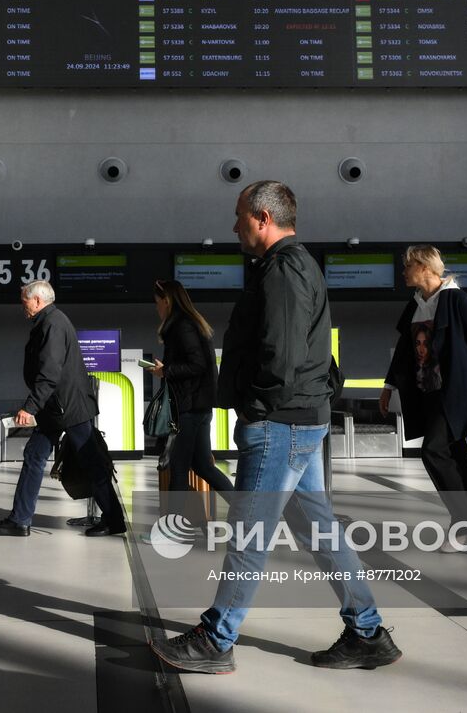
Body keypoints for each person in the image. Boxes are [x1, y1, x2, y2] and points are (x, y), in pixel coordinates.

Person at [151, 180, 399, 674]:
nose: (234, 226)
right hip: (298, 419)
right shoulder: (294, 266)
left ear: (263, 218)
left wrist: (257, 409)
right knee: (320, 529)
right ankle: (367, 632)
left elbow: (280, 356)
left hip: (279, 423)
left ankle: (216, 639)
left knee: (249, 534)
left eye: (240, 216)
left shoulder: (283, 271)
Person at [378, 245, 467, 552]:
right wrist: (388, 386)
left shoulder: (458, 301)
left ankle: (465, 525)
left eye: (408, 266)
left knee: (433, 451)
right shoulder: (416, 304)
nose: (403, 272)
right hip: (427, 392)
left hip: (455, 392)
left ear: (424, 267)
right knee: (457, 456)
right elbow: (404, 349)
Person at [0, 280, 126, 537]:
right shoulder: (49, 321)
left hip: (66, 407)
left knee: (91, 461)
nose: (22, 306)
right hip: (57, 407)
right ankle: (20, 520)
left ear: (37, 300)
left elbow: (50, 372)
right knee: (35, 455)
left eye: (24, 301)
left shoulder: (52, 323)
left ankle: (114, 520)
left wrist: (30, 407)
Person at [148, 279, 233, 527]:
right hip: (198, 406)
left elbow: (197, 365)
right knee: (202, 466)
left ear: (167, 301)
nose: (157, 308)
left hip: (190, 407)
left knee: (179, 467)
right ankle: (245, 508)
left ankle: (170, 530)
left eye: (157, 303)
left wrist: (166, 371)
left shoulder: (181, 326)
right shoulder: (190, 323)